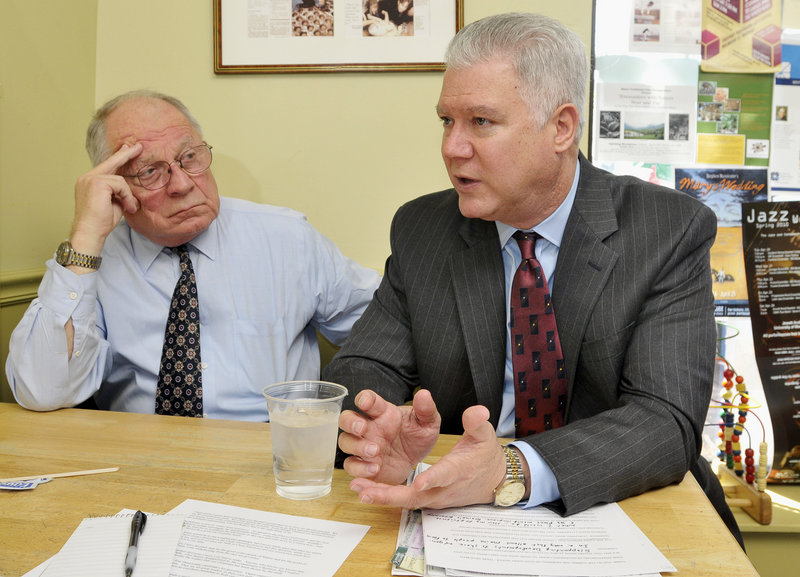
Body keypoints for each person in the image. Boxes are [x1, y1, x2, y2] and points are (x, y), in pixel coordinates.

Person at [324, 12, 743, 546]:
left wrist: (510, 470)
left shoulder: (666, 230)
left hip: (622, 507)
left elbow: (665, 422)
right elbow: (367, 363)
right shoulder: (423, 227)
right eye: (446, 122)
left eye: (481, 122)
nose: (453, 148)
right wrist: (373, 422)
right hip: (455, 514)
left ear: (561, 128)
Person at [7, 90, 381, 421]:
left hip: (271, 457)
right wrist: (86, 236)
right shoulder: (96, 257)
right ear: (115, 184)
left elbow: (388, 328)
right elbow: (42, 391)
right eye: (150, 171)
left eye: (190, 157)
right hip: (137, 461)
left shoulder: (287, 239)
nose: (183, 184)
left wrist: (349, 408)